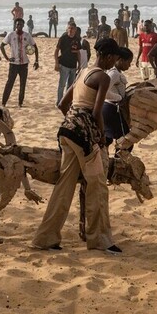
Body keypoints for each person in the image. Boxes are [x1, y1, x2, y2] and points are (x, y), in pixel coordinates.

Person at [32, 38, 123, 255]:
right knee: (98, 186)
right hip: (84, 138)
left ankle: (46, 238)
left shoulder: (83, 72)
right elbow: (96, 112)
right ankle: (100, 240)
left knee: (64, 185)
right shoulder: (102, 76)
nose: (114, 62)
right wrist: (100, 136)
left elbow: (63, 104)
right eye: (114, 58)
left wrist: (75, 120)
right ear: (108, 56)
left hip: (67, 131)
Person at [0, 18, 40, 107]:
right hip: (13, 64)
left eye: (21, 25)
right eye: (17, 24)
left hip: (24, 64)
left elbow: (35, 47)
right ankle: (3, 103)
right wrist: (7, 58)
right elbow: (2, 45)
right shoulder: (11, 35)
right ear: (15, 25)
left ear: (23, 25)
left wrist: (36, 61)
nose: (19, 26)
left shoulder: (27, 35)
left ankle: (20, 103)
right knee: (9, 83)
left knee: (23, 84)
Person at [102, 47, 133, 147]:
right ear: (120, 60)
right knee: (126, 141)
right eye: (128, 62)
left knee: (107, 140)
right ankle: (117, 161)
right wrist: (119, 98)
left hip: (108, 108)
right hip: (111, 109)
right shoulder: (114, 73)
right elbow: (104, 92)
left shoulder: (116, 72)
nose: (129, 65)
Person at [54, 22, 81, 104]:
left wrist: (79, 64)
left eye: (72, 28)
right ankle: (59, 102)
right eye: (69, 28)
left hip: (73, 65)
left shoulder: (77, 39)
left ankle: (67, 102)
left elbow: (78, 52)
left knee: (70, 86)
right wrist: (56, 63)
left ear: (75, 30)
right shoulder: (63, 38)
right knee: (62, 85)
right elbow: (56, 51)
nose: (70, 30)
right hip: (64, 65)